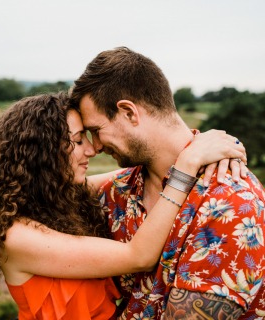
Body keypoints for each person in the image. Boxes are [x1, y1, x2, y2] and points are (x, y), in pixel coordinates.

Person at [0, 92, 247, 319]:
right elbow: (139, 256)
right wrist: (187, 165)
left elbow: (147, 169)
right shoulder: (15, 236)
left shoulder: (58, 196)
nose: (91, 150)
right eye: (78, 140)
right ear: (40, 153)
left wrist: (213, 145)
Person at [70, 47, 265, 319]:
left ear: (129, 112)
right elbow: (40, 190)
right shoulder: (119, 191)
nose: (96, 147)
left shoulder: (229, 201)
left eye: (96, 131)